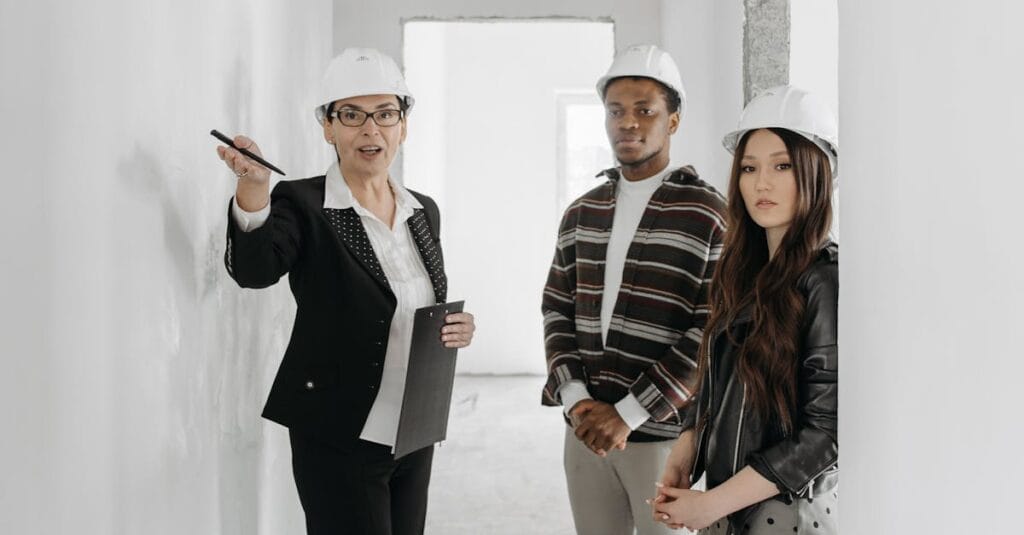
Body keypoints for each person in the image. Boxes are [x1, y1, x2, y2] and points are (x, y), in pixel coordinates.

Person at [216, 47, 475, 535]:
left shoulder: (425, 211)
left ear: (404, 125)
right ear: (328, 128)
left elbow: (417, 304)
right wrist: (255, 191)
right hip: (339, 430)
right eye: (352, 115)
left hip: (413, 428)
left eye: (385, 114)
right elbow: (255, 272)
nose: (370, 129)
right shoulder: (305, 202)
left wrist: (457, 326)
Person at [541, 44, 727, 535]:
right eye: (616, 111)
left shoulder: (708, 213)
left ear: (674, 121)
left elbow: (712, 329)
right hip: (584, 433)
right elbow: (555, 308)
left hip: (664, 437)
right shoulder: (583, 212)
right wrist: (577, 399)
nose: (628, 123)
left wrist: (627, 413)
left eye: (645, 110)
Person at [650, 85, 839, 534]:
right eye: (749, 167)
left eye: (782, 166)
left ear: (817, 172)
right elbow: (724, 382)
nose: (761, 183)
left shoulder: (824, 279)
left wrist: (712, 503)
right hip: (730, 511)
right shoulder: (744, 274)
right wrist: (687, 445)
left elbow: (825, 434)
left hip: (786, 517)